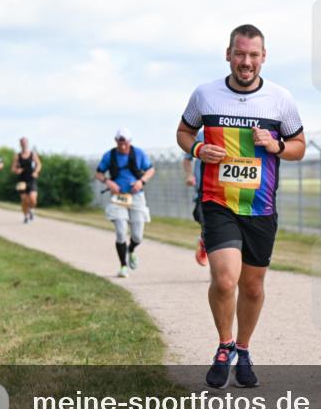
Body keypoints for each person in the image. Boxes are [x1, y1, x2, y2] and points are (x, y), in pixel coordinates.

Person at [177, 24, 305, 389]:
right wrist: (199, 149)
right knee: (224, 279)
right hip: (218, 201)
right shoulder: (205, 95)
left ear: (263, 57)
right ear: (228, 54)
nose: (246, 61)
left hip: (261, 207)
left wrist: (277, 146)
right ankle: (223, 346)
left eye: (253, 55)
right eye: (240, 53)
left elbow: (299, 146)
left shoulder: (280, 100)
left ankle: (243, 351)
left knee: (251, 287)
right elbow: (184, 132)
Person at [95, 129, 155, 278]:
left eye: (125, 143)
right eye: (120, 143)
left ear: (130, 142)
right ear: (116, 142)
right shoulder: (110, 156)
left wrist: (141, 182)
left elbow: (151, 170)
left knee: (137, 236)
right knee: (121, 232)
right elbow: (98, 173)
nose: (122, 146)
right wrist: (108, 182)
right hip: (118, 197)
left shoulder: (139, 154)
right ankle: (123, 265)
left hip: (136, 197)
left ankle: (131, 250)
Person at [181, 129, 208, 266]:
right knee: (205, 220)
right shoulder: (201, 135)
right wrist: (190, 175)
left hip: (231, 188)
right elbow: (187, 159)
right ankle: (204, 241)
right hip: (204, 189)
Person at [11, 137, 41, 224]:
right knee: (24, 200)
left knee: (33, 199)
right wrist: (17, 170)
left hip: (31, 179)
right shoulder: (18, 156)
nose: (24, 144)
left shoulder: (33, 154)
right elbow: (13, 168)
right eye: (22, 143)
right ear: (20, 144)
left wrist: (36, 171)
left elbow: (39, 165)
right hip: (21, 181)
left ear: (27, 144)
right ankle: (26, 216)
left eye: (25, 142)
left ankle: (31, 210)